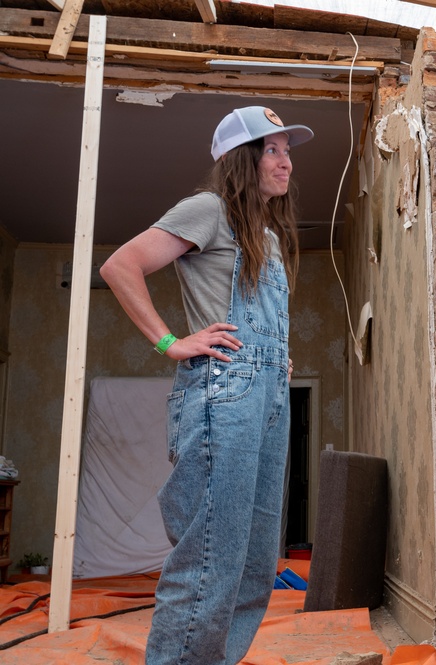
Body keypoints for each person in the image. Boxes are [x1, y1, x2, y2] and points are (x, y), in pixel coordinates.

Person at [100, 106, 313, 665]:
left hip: (265, 397)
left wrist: (277, 362)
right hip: (226, 398)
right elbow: (121, 266)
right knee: (210, 555)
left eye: (288, 150)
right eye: (272, 149)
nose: (286, 160)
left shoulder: (262, 228)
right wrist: (171, 342)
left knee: (251, 559)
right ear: (242, 158)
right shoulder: (208, 211)